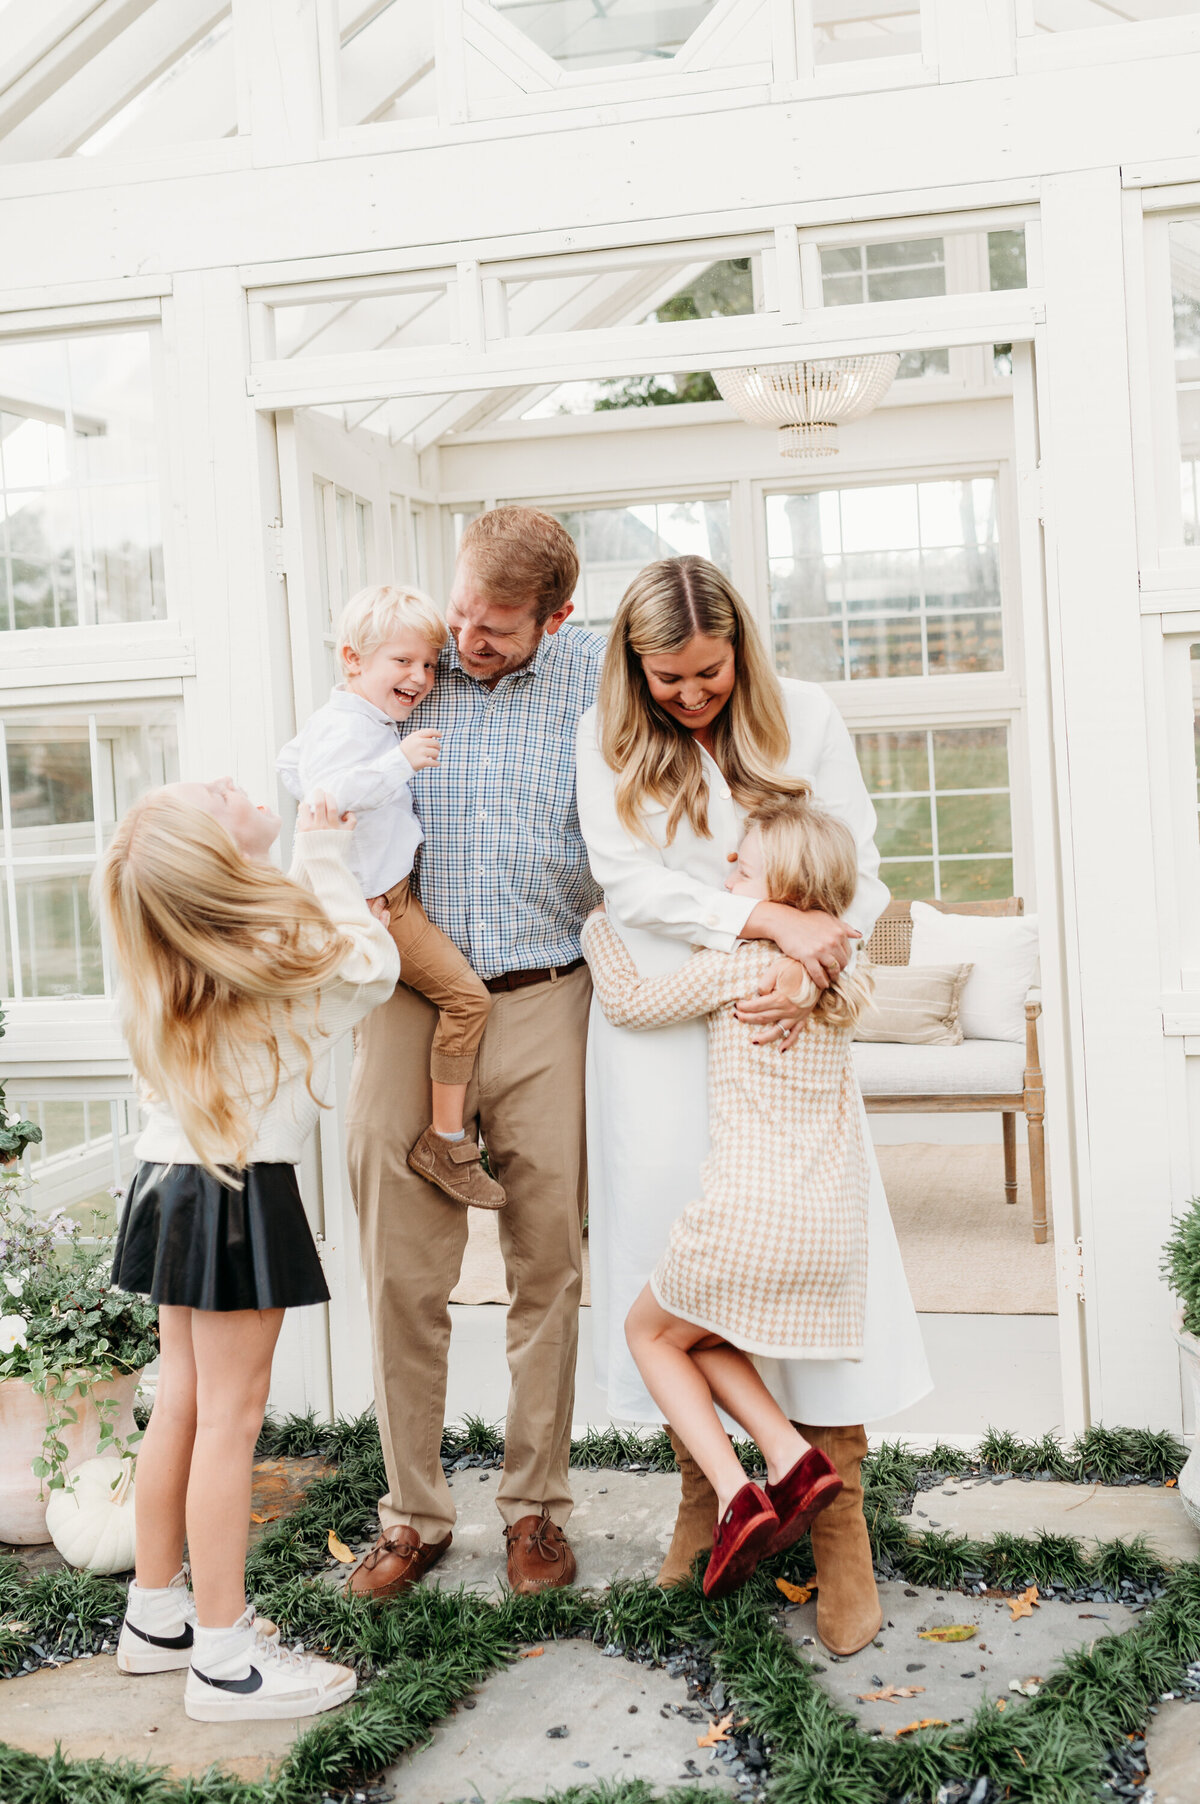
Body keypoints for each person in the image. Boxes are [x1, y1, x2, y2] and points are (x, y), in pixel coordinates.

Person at [576, 556, 932, 1652]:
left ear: (745, 652)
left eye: (710, 674)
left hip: (788, 1021)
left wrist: (812, 963)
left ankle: (839, 1528)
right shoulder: (607, 740)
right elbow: (626, 882)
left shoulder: (808, 721)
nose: (690, 695)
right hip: (660, 1030)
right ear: (635, 667)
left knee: (803, 1240)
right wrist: (764, 928)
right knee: (677, 1256)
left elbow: (858, 867)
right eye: (668, 677)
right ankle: (710, 1493)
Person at [345, 507, 604, 1601]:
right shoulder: (412, 662)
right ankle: (413, 1513)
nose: (466, 638)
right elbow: (323, 756)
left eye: (496, 626)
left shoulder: (601, 674)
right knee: (405, 1270)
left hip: (548, 992)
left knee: (549, 1262)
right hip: (413, 999)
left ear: (559, 617)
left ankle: (534, 1508)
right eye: (462, 610)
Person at [100, 780, 398, 1721]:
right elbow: (372, 968)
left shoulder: (180, 944)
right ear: (219, 859)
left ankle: (157, 1618)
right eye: (213, 798)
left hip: (170, 1181)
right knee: (227, 1423)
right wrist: (322, 858)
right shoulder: (259, 944)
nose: (232, 785)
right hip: (232, 1189)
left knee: (181, 1407)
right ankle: (226, 1663)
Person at [582, 793, 876, 1597]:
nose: (727, 875)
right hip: (826, 1228)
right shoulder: (841, 980)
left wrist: (601, 926)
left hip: (746, 1215)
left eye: (742, 868)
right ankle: (791, 1459)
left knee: (649, 1334)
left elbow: (631, 1002)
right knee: (703, 1338)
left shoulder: (742, 965)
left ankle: (730, 1491)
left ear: (782, 896)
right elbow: (848, 964)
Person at [277, 584, 503, 1211]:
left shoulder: (352, 718)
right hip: (382, 903)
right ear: (353, 660)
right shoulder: (359, 730)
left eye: (429, 664)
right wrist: (398, 763)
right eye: (402, 662)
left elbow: (290, 765)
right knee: (466, 1000)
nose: (421, 676)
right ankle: (448, 1143)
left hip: (384, 891)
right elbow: (327, 790)